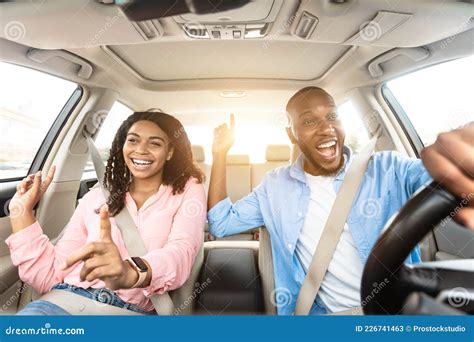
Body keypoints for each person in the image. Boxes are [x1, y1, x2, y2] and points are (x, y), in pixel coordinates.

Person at [207, 86, 473, 315]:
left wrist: (457, 161)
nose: (326, 128)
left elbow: (441, 178)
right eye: (309, 121)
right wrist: (220, 155)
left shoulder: (387, 167)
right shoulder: (273, 187)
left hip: (393, 312)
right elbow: (221, 223)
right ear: (292, 135)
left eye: (332, 116)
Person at [6, 111, 206, 315]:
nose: (141, 149)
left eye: (155, 143)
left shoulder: (187, 189)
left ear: (170, 152)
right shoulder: (96, 197)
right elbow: (50, 276)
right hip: (61, 303)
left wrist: (130, 273)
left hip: (128, 312)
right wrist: (20, 212)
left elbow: (181, 251)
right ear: (123, 146)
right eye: (133, 140)